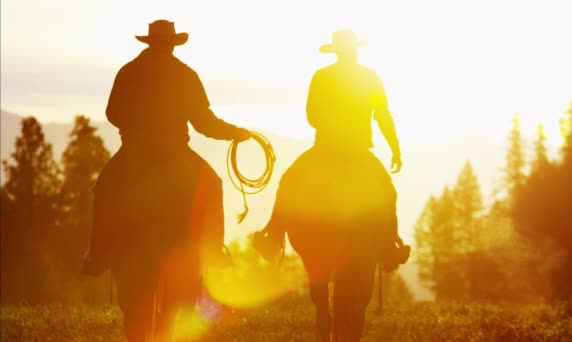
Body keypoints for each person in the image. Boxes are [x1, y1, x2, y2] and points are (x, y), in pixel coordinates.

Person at [82, 19, 250, 341]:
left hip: (134, 150)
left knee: (105, 187)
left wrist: (136, 124)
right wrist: (236, 134)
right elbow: (204, 122)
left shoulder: (129, 71)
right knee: (212, 184)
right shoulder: (185, 74)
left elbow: (112, 112)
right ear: (172, 43)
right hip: (176, 152)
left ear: (150, 42)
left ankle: (98, 252)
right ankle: (214, 250)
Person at [255, 29, 407, 341]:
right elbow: (382, 115)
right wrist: (394, 147)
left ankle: (272, 233)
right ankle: (390, 245)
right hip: (356, 150)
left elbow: (311, 115)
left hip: (324, 146)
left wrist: (330, 121)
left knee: (290, 181)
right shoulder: (370, 76)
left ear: (336, 51)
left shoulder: (322, 76)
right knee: (386, 190)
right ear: (354, 50)